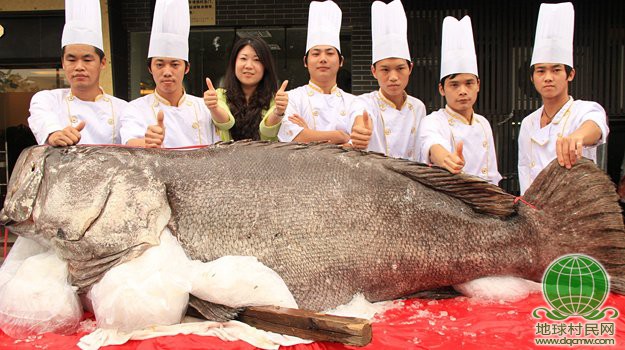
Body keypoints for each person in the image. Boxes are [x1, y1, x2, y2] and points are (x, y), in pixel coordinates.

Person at [518, 2, 609, 194]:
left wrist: (578, 136)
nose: (548, 77)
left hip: (576, 211)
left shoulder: (583, 110)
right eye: (541, 71)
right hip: (536, 213)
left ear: (570, 74)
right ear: (532, 77)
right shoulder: (528, 123)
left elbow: (596, 125)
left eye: (556, 70)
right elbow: (525, 171)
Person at [120, 0, 219, 148]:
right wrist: (147, 143)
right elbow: (129, 142)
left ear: (186, 68)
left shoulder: (204, 108)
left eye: (174, 64)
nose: (167, 72)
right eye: (159, 65)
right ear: (150, 68)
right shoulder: (135, 108)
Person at [28, 0, 127, 146]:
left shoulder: (123, 109)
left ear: (103, 63)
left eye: (87, 60)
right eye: (71, 59)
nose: (79, 67)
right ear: (63, 63)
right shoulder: (48, 100)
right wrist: (55, 134)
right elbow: (42, 118)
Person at [418, 16, 501, 185]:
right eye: (454, 85)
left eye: (469, 83)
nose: (462, 91)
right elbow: (432, 144)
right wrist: (446, 158)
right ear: (441, 89)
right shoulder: (433, 121)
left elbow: (492, 174)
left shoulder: (483, 123)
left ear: (478, 84)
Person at [348, 0, 426, 161]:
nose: (393, 77)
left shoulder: (418, 107)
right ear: (373, 71)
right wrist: (360, 131)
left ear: (410, 68)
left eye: (400, 68)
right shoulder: (364, 102)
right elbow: (359, 118)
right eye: (385, 69)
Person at [277, 0, 354, 144]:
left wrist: (311, 135)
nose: (323, 59)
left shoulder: (353, 102)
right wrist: (340, 136)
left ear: (341, 61)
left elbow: (359, 144)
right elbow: (293, 138)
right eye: (316, 53)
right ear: (305, 61)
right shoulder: (291, 98)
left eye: (330, 53)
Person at [203, 36, 288, 141]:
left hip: (266, 157)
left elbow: (268, 131)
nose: (248, 66)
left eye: (257, 60)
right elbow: (225, 123)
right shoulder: (220, 94)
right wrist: (214, 108)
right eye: (243, 58)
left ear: (265, 66)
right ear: (234, 63)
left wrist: (278, 111)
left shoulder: (276, 98)